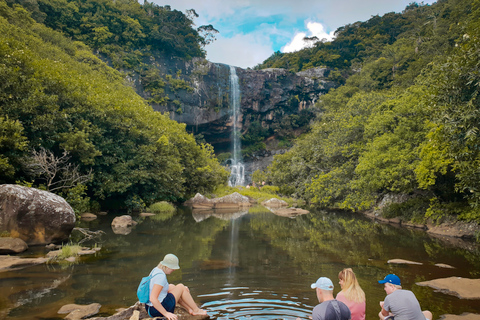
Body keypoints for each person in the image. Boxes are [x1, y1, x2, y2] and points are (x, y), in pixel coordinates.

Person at [146, 253, 207, 320]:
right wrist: (166, 313)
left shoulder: (155, 270)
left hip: (149, 308)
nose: (174, 270)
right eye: (173, 268)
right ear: (167, 266)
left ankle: (189, 309)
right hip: (156, 311)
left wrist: (179, 290)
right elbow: (153, 298)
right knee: (181, 287)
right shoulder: (161, 277)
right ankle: (196, 310)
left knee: (173, 286)